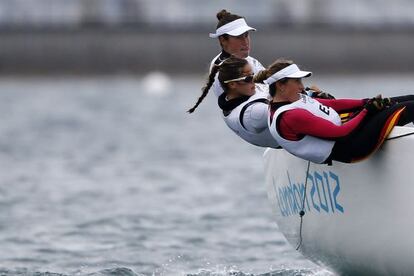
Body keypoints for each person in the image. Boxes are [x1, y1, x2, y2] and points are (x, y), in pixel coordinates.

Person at [255, 58, 414, 163]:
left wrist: (365, 102)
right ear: (280, 86)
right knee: (409, 107)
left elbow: (334, 105)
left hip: (351, 133)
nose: (302, 87)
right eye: (296, 81)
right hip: (352, 147)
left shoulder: (292, 100)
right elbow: (341, 133)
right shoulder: (290, 116)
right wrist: (367, 111)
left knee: (401, 99)